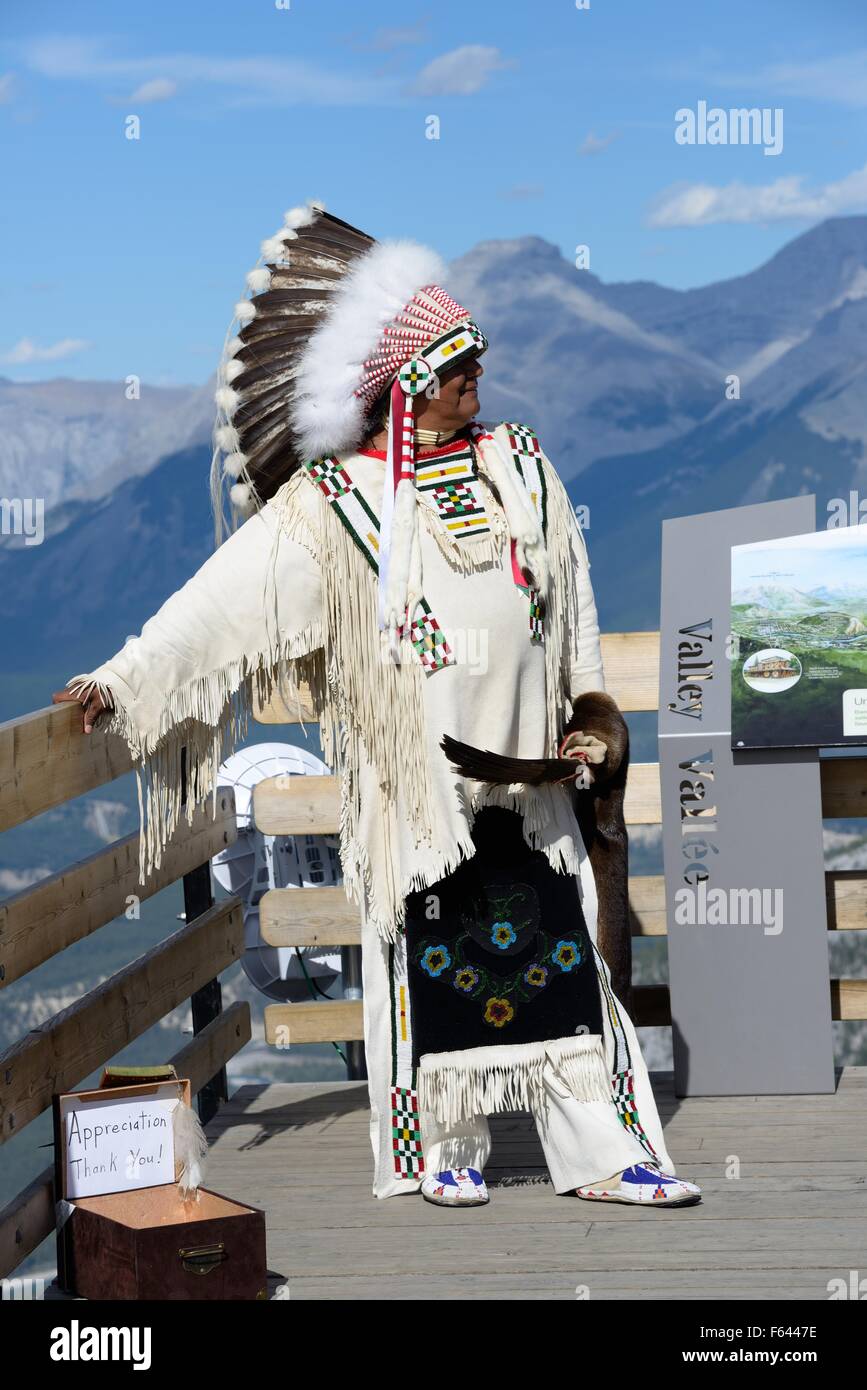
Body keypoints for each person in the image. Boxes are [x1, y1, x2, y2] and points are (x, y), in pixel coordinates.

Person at [53, 202, 701, 1209]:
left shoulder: (521, 467)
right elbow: (218, 605)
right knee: (431, 965)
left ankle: (607, 1153)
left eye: (476, 364)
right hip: (419, 798)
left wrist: (588, 709)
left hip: (531, 787)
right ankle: (443, 1147)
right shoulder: (338, 505)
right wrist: (124, 679)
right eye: (455, 371)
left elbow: (569, 602)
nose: (474, 382)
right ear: (408, 385)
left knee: (568, 968)